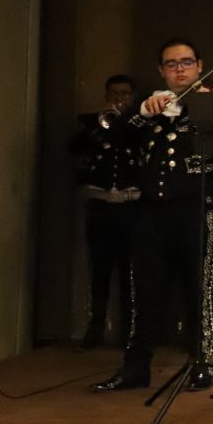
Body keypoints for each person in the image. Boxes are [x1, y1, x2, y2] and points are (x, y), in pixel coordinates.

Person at [92, 39, 213, 392]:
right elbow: (114, 137)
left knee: (200, 288)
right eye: (171, 64)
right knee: (143, 289)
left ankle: (202, 361)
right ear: (161, 70)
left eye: (186, 62)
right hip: (152, 209)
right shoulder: (149, 105)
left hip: (198, 208)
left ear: (199, 66)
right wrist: (144, 112)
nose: (179, 69)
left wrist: (204, 105)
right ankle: (135, 367)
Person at [73, 74, 143, 350]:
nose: (119, 98)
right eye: (114, 93)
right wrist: (101, 125)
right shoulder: (93, 124)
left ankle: (130, 330)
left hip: (131, 208)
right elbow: (75, 148)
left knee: (130, 272)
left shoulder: (140, 126)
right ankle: (96, 326)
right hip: (100, 207)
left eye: (125, 93)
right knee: (99, 269)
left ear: (133, 98)